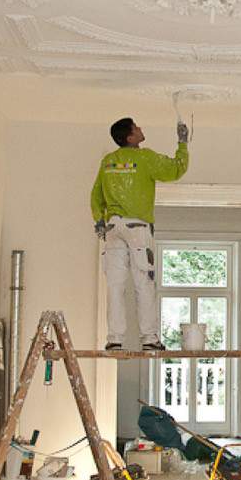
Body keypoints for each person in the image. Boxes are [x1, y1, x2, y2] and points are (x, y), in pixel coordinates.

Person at [91, 117, 190, 351]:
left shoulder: (108, 162)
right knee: (143, 283)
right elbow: (175, 170)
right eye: (136, 128)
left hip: (113, 229)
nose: (141, 129)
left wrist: (99, 220)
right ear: (130, 137)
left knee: (115, 286)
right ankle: (149, 338)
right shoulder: (144, 158)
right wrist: (182, 143)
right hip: (137, 229)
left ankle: (115, 339)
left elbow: (96, 195)